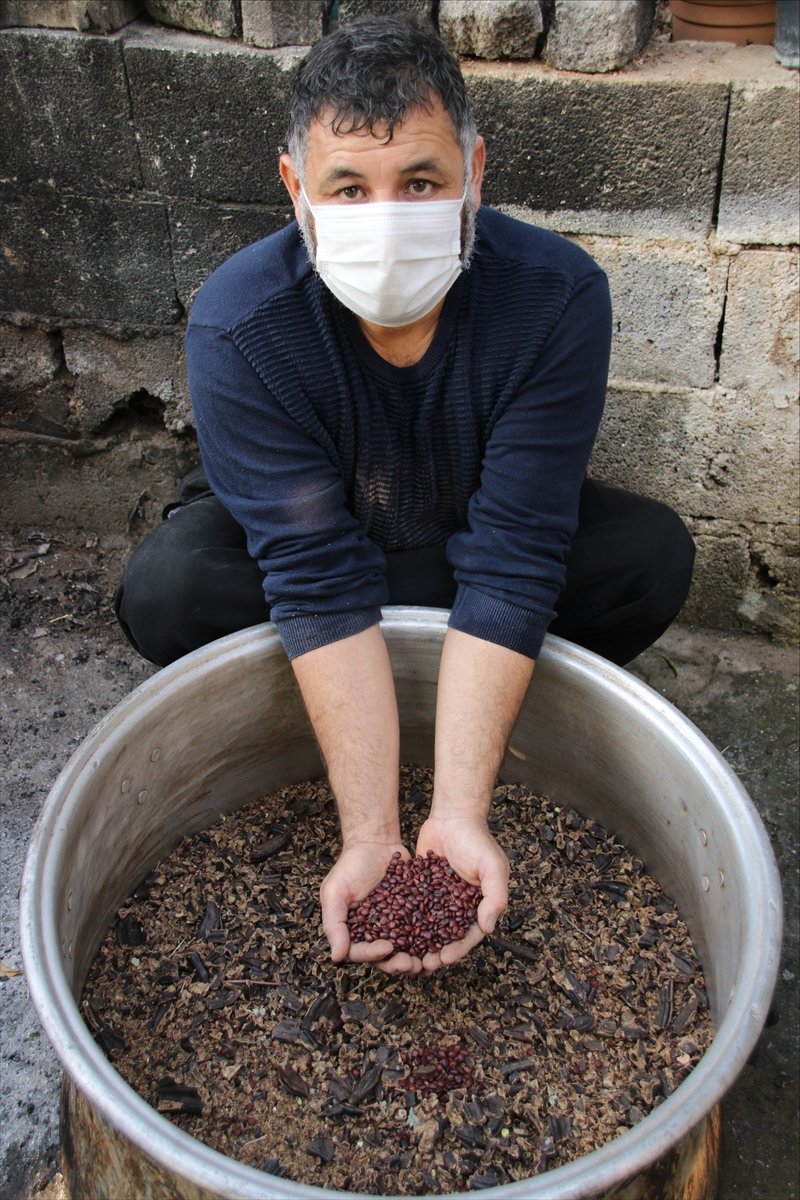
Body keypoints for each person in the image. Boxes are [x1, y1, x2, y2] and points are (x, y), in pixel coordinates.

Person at [115, 14, 694, 978]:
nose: (386, 214)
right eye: (349, 187)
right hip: (311, 564)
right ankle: (372, 712)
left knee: (648, 558)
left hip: (467, 539)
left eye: (420, 181)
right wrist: (374, 835)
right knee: (170, 587)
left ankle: (458, 705)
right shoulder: (237, 321)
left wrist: (459, 814)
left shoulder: (557, 297)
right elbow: (311, 573)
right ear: (297, 190)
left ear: (475, 170)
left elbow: (514, 555)